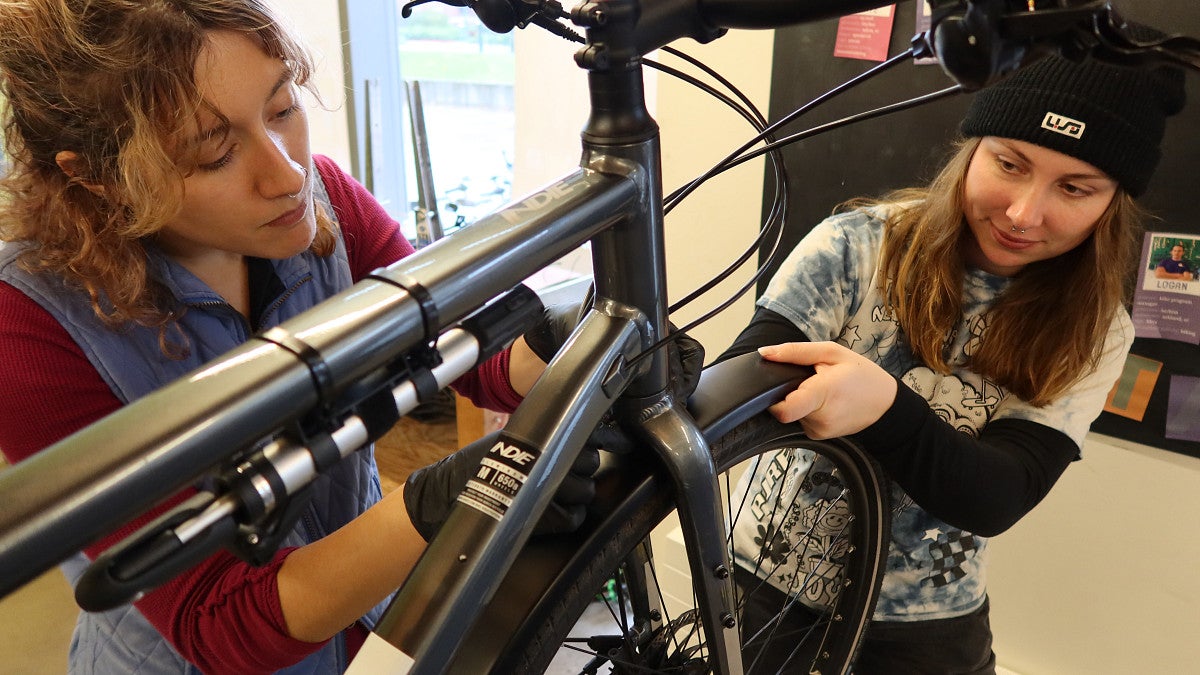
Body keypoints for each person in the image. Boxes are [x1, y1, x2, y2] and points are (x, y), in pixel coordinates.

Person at [0, 1, 559, 673]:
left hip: (367, 633)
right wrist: (438, 504)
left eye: (283, 108)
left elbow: (463, 347)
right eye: (213, 152)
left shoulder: (327, 205)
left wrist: (557, 348)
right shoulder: (27, 330)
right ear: (96, 175)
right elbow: (216, 617)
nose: (287, 174)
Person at [721, 52, 1185, 673]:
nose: (1023, 213)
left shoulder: (1096, 331)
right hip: (758, 595)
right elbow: (740, 382)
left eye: (1074, 188)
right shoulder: (858, 245)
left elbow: (995, 497)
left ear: (1111, 203)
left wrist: (886, 409)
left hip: (924, 636)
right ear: (972, 151)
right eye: (1009, 164)